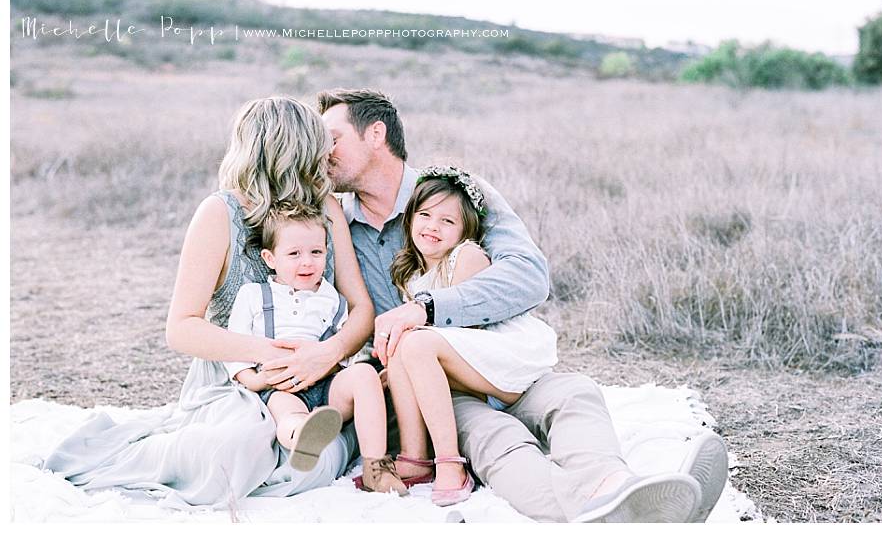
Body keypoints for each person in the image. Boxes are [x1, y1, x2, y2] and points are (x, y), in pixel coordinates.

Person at [318, 88, 729, 523]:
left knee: (576, 394)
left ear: (375, 134)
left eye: (333, 138)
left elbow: (528, 276)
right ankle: (605, 512)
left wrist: (427, 307)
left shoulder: (453, 196)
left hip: (498, 359)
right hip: (434, 386)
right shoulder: (336, 226)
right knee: (496, 436)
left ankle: (616, 486)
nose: (323, 151)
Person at [43, 96, 377, 507]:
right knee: (236, 451)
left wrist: (327, 353)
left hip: (314, 374)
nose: (329, 152)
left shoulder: (325, 210)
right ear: (293, 149)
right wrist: (270, 354)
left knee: (313, 464)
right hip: (234, 381)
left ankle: (311, 436)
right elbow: (181, 327)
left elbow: (361, 308)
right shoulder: (219, 213)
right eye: (319, 142)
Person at [385, 166, 559, 506]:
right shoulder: (413, 274)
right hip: (464, 363)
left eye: (447, 221)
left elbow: (467, 332)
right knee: (398, 345)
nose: (433, 226)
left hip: (502, 358)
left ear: (465, 229)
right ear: (409, 220)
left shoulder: (466, 257)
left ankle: (451, 464)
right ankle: (414, 456)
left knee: (414, 343)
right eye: (424, 215)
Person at [225, 205, 406, 494]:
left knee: (363, 374)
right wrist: (257, 381)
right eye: (294, 254)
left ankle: (376, 466)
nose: (306, 262)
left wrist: (357, 377)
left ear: (326, 254)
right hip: (280, 387)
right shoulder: (254, 296)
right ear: (270, 259)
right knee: (288, 414)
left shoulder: (333, 300)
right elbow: (234, 350)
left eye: (316, 253)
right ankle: (302, 436)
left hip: (327, 386)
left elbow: (342, 356)